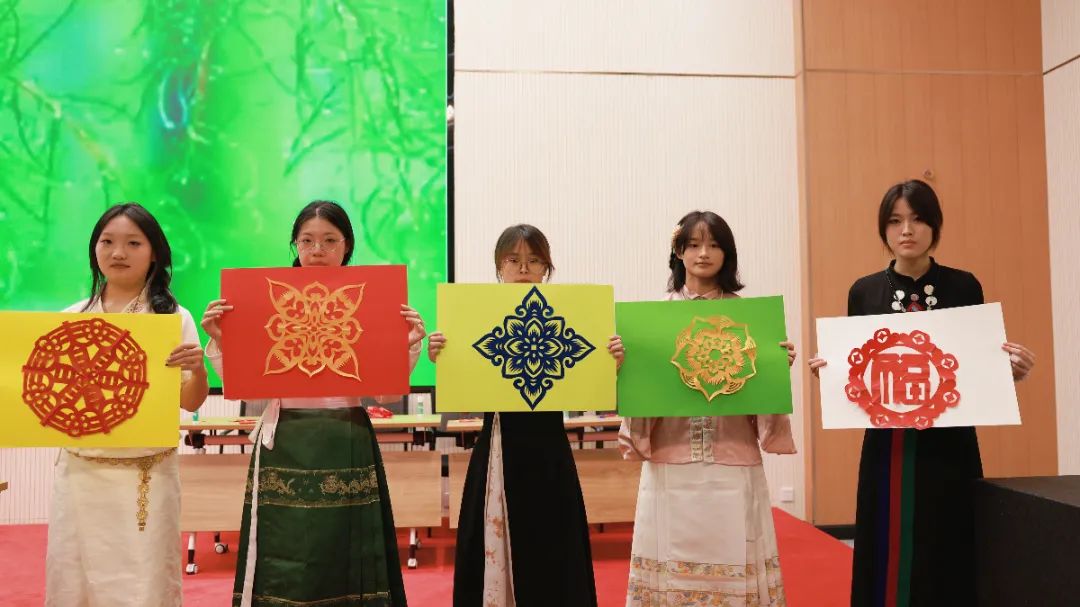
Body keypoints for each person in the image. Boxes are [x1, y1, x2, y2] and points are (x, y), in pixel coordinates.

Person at [807, 180, 1036, 606]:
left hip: (949, 440)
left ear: (935, 226)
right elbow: (859, 371)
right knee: (885, 537)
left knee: (949, 534)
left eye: (917, 219)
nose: (907, 230)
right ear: (884, 229)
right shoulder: (864, 291)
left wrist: (1009, 372)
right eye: (895, 221)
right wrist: (834, 374)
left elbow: (975, 364)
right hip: (887, 443)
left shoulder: (964, 286)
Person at [202, 200, 425, 607]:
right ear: (295, 245)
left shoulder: (373, 301)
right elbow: (248, 393)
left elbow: (387, 396)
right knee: (284, 548)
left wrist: (406, 345)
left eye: (329, 240)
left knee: (345, 551)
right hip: (284, 439)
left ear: (347, 246)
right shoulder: (264, 301)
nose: (317, 250)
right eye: (306, 241)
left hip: (346, 437)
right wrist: (222, 338)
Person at [428, 224, 620, 607]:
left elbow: (588, 379)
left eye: (534, 261)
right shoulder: (475, 318)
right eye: (513, 260)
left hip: (549, 449)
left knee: (552, 545)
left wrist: (609, 362)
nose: (523, 269)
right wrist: (443, 359)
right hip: (497, 444)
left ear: (546, 269)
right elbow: (465, 392)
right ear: (499, 267)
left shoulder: (571, 315)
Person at [618, 210, 796, 607]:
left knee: (735, 547)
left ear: (727, 254)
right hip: (670, 456)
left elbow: (760, 391)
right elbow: (643, 390)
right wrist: (625, 365)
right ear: (678, 251)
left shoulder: (750, 317)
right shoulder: (653, 317)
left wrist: (774, 367)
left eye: (714, 245)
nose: (703, 253)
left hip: (733, 455)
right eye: (694, 244)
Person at [46, 203, 208, 607]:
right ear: (94, 249)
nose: (118, 252)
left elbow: (190, 400)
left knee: (143, 581)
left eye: (134, 243)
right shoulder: (70, 318)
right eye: (107, 242)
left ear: (154, 253)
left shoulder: (173, 317)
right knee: (75, 575)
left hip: (146, 474)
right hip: (80, 472)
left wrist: (198, 370)